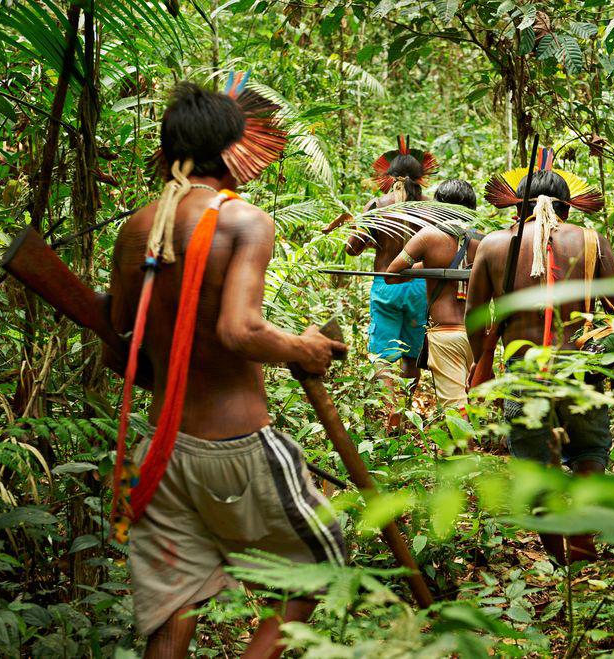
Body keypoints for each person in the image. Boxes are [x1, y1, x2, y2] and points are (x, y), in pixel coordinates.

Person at [104, 79, 347, 659]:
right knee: (321, 561)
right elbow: (240, 329)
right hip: (235, 448)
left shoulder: (136, 227)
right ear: (236, 149)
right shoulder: (244, 221)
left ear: (168, 152)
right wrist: (303, 347)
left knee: (173, 607)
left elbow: (118, 352)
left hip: (160, 454)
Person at [465, 163, 614, 564]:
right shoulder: (593, 241)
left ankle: (561, 559)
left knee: (534, 471)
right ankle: (583, 552)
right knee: (590, 455)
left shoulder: (495, 245)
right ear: (568, 208)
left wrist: (482, 360)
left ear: (517, 207)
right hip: (582, 371)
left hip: (524, 374)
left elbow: (476, 319)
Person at [345, 136, 438, 429]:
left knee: (385, 355)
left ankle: (390, 414)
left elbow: (352, 248)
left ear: (389, 178)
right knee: (411, 355)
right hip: (419, 287)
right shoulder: (432, 207)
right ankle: (405, 410)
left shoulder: (376, 204)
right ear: (421, 179)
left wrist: (373, 238)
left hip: (385, 285)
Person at [384, 179, 481, 412]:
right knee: (475, 404)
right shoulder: (485, 241)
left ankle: (465, 449)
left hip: (445, 334)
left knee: (456, 410)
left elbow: (391, 275)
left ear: (440, 207)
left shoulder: (428, 236)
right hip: (477, 336)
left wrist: (429, 266)